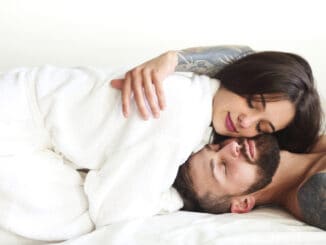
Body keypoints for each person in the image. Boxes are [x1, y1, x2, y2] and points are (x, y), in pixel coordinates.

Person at [111, 45, 324, 153]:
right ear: (242, 77)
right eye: (251, 103)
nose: (246, 122)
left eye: (262, 127)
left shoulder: (215, 146)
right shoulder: (183, 94)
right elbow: (242, 54)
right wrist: (170, 59)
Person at [174, 135, 326, 231]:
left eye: (218, 146)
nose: (232, 146)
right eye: (224, 166)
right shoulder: (314, 196)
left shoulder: (313, 144)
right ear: (243, 204)